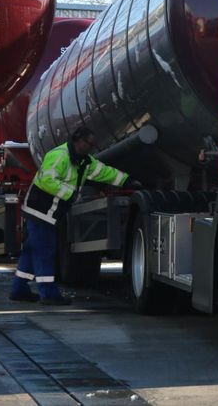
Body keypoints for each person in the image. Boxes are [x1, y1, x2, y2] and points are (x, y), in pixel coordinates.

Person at [10, 126, 130, 305]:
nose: (91, 147)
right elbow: (46, 180)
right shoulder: (60, 156)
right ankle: (48, 294)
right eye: (88, 143)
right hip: (41, 210)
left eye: (93, 144)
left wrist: (127, 180)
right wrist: (71, 194)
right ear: (78, 140)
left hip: (46, 212)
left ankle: (19, 289)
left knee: (32, 250)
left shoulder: (84, 161)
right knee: (45, 251)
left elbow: (103, 172)